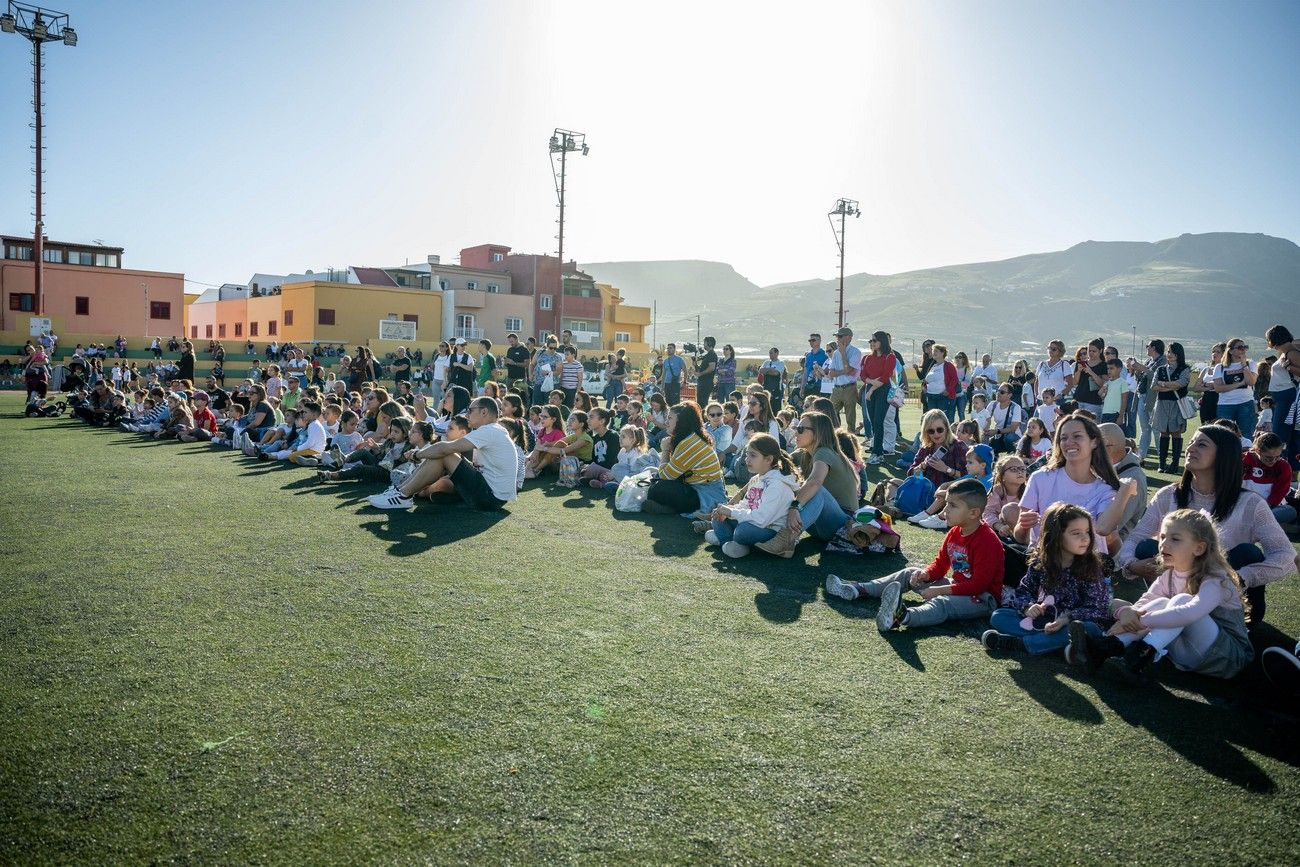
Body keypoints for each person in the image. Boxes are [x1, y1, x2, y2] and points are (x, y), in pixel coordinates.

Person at [1117, 424, 1295, 627]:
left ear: (1224, 456)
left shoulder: (1250, 503)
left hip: (1226, 594)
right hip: (1178, 593)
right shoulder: (1169, 495)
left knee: (1248, 553)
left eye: (1201, 444)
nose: (1190, 448)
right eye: (1191, 442)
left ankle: (1240, 622)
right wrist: (1131, 564)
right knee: (1147, 548)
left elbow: (1285, 556)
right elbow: (1135, 537)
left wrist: (1241, 577)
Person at [1071, 509, 1253, 683]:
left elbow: (1190, 613)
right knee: (1161, 602)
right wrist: (1129, 615)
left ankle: (1135, 658)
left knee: (1182, 602)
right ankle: (1106, 647)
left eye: (1175, 539)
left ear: (1199, 548)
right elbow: (1146, 602)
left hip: (1226, 658)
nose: (1164, 544)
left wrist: (1141, 622)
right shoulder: (1169, 574)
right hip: (1185, 654)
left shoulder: (1216, 579)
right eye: (1163, 536)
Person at [826, 479, 1004, 633]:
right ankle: (858, 589)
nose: (945, 510)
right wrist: (926, 574)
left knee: (943, 602)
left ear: (974, 512)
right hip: (959, 587)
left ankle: (901, 617)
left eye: (953, 505)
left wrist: (939, 590)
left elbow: (979, 585)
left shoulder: (987, 541)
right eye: (947, 503)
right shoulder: (955, 532)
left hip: (982, 599)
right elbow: (940, 565)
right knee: (909, 572)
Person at [982, 503, 1112, 656]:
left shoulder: (1091, 568)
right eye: (1076, 533)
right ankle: (1056, 644)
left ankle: (1025, 644)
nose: (1085, 538)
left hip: (1070, 624)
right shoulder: (1040, 562)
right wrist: (1028, 607)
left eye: (1088, 532)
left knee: (1089, 629)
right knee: (999, 616)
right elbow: (1024, 589)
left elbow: (1097, 608)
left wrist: (1067, 618)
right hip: (1043, 621)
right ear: (1056, 535)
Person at [367, 397, 518, 511]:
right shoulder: (493, 430)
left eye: (470, 411)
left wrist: (417, 455)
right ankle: (401, 491)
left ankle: (402, 495)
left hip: (490, 497)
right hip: (492, 495)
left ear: (484, 412)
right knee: (443, 469)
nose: (467, 415)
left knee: (444, 453)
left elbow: (446, 449)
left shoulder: (489, 430)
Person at [1014, 413, 1134, 554]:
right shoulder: (1039, 479)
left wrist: (1124, 493)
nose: (1069, 442)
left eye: (1077, 436)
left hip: (1087, 570)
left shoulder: (1105, 490)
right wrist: (1023, 526)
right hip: (1045, 565)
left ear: (1094, 442)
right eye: (1063, 438)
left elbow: (1105, 531)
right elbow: (1020, 537)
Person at [757, 411, 857, 556]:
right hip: (819, 524)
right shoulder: (805, 454)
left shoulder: (824, 452)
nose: (795, 432)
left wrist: (794, 507)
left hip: (842, 525)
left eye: (801, 429)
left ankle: (785, 541)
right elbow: (777, 466)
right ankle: (762, 526)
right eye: (796, 427)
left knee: (817, 490)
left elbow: (816, 482)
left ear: (817, 434)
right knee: (785, 488)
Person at [703, 434, 801, 558]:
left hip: (769, 529)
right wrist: (726, 511)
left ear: (769, 459)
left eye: (753, 455)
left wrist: (731, 513)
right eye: (747, 454)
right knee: (717, 517)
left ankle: (730, 541)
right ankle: (732, 544)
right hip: (752, 521)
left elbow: (761, 519)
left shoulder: (777, 484)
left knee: (742, 531)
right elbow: (746, 504)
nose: (747, 459)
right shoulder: (757, 478)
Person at [642, 402, 726, 518]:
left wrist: (665, 450)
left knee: (656, 489)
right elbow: (672, 471)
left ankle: (669, 509)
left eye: (670, 418)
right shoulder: (689, 437)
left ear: (682, 422)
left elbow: (665, 475)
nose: (666, 422)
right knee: (651, 473)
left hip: (705, 494)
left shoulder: (689, 443)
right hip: (698, 487)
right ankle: (668, 508)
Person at [1147, 341, 1193, 473]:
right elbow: (1154, 386)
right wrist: (1169, 386)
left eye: (1172, 352)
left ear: (1179, 354)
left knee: (1176, 432)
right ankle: (1162, 464)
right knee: (1163, 432)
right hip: (1161, 404)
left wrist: (1164, 385)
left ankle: (1174, 464)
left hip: (1177, 404)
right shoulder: (1161, 369)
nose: (1170, 354)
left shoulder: (1185, 368)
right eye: (1168, 352)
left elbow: (1181, 383)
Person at [1099, 422, 1148, 543]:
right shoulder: (1109, 467)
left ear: (1107, 448)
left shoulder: (1133, 479)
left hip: (1116, 551)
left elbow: (1113, 527)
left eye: (1094, 445)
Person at [859, 331, 897, 465]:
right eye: (871, 341)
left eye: (875, 340)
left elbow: (886, 377)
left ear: (882, 341)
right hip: (871, 389)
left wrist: (872, 388)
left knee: (878, 421)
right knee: (873, 421)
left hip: (883, 390)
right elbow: (862, 375)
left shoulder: (890, 357)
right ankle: (877, 450)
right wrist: (871, 384)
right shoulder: (867, 358)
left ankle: (877, 453)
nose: (872, 343)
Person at [1243, 432, 1295, 525]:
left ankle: (1254, 523)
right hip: (1243, 505)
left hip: (1270, 508)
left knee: (1290, 511)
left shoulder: (1283, 466)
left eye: (1278, 456)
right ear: (1257, 451)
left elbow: (1278, 494)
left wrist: (1264, 508)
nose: (1273, 461)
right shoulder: (1243, 460)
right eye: (1268, 457)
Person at [1211, 336, 1257, 435]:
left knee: (1246, 434)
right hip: (1225, 404)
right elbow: (1218, 388)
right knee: (1224, 435)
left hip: (1245, 403)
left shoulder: (1251, 364)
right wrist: (1239, 383)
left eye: (1245, 347)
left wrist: (1244, 364)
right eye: (1240, 347)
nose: (1243, 349)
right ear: (1230, 351)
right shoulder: (1220, 367)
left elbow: (1251, 382)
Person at [821, 326, 863, 433]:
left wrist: (844, 353)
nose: (837, 338)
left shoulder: (855, 352)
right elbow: (831, 373)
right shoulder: (836, 353)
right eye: (837, 336)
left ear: (849, 338)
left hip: (849, 388)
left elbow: (850, 370)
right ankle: (835, 436)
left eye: (840, 336)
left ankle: (851, 442)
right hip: (836, 388)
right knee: (829, 414)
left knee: (850, 419)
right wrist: (844, 372)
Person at [984, 455, 1027, 539]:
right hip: (1003, 533)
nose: (1020, 472)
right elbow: (988, 513)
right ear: (1002, 476)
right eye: (1013, 469)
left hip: (1025, 532)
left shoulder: (1030, 489)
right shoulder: (997, 491)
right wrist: (999, 526)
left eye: (1022, 469)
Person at [985, 383, 1025, 454]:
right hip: (998, 435)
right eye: (998, 390)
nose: (998, 393)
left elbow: (1013, 429)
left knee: (1009, 438)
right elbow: (985, 420)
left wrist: (995, 431)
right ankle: (994, 459)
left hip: (1013, 435)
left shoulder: (1016, 407)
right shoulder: (992, 404)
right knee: (987, 443)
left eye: (1002, 392)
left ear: (1009, 395)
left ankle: (1013, 454)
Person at [1072, 338, 1108, 417]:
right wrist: (1078, 371)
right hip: (1078, 399)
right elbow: (1074, 382)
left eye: (1094, 351)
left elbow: (1103, 384)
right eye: (1089, 351)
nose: (1091, 353)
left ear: (1100, 351)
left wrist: (1091, 372)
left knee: (1092, 427)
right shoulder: (1081, 363)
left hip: (1093, 402)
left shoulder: (1104, 365)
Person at [799, 334, 828, 406]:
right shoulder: (808, 355)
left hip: (820, 386)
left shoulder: (825, 355)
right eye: (810, 340)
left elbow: (827, 372)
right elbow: (805, 373)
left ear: (819, 341)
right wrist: (802, 388)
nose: (811, 342)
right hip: (808, 386)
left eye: (813, 340)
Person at [695, 337, 718, 404]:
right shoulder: (708, 354)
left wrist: (701, 374)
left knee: (702, 403)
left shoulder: (712, 354)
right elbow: (702, 368)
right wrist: (695, 365)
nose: (703, 344)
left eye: (705, 343)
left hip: (706, 383)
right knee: (700, 402)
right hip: (703, 382)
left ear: (709, 343)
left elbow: (711, 367)